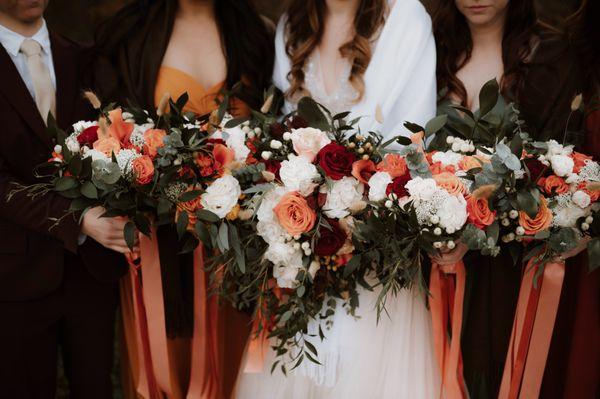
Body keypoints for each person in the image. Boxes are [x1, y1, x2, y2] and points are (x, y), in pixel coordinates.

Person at [235, 0, 440, 398]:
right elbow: (283, 134)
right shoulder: (292, 27)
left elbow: (414, 144)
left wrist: (352, 211)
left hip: (376, 254)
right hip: (303, 259)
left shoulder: (405, 18)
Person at [95, 1, 274, 397]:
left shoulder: (254, 33)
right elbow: (112, 133)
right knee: (166, 366)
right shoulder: (130, 34)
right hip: (161, 239)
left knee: (233, 364)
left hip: (233, 242)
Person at [430, 0, 584, 396]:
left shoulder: (552, 58)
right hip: (439, 258)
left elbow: (561, 159)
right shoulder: (431, 52)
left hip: (515, 260)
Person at [0, 0, 130, 397]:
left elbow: (118, 142)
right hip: (14, 274)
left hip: (89, 271)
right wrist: (77, 220)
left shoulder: (84, 57)